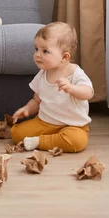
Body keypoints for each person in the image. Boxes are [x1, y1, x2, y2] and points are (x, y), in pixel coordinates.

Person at [11, 22, 94, 152]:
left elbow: (88, 92)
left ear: (64, 57)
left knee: (77, 141)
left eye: (45, 51)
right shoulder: (43, 73)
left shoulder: (75, 74)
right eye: (36, 49)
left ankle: (39, 141)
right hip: (44, 122)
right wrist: (27, 109)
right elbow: (37, 100)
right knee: (16, 133)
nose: (38, 54)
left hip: (72, 126)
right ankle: (53, 140)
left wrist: (72, 88)